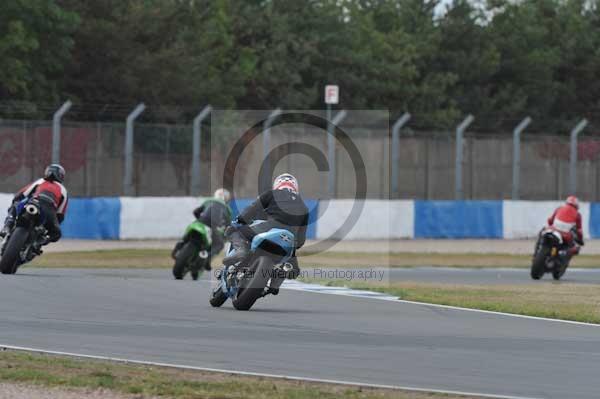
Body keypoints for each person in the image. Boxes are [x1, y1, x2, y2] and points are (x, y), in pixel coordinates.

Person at [223, 173, 309, 295]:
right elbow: (300, 240)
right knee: (292, 269)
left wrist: (238, 221)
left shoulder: (271, 194)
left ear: (277, 184)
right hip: (289, 241)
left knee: (236, 230)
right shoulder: (304, 207)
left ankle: (241, 251)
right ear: (295, 187)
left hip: (270, 228)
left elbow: (252, 209)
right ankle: (274, 285)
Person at [0, 164, 68, 248]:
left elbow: (21, 194)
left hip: (33, 202)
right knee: (56, 233)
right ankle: (39, 242)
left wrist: (15, 203)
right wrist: (53, 224)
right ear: (61, 176)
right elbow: (60, 214)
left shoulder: (41, 181)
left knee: (15, 206)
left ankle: (7, 227)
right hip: (49, 210)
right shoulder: (63, 189)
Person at [172, 188, 232, 271]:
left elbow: (195, 212)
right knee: (220, 244)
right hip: (212, 227)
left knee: (188, 233)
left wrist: (200, 219)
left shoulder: (208, 201)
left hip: (199, 223)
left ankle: (178, 246)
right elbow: (228, 225)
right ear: (227, 198)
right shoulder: (226, 208)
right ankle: (207, 260)